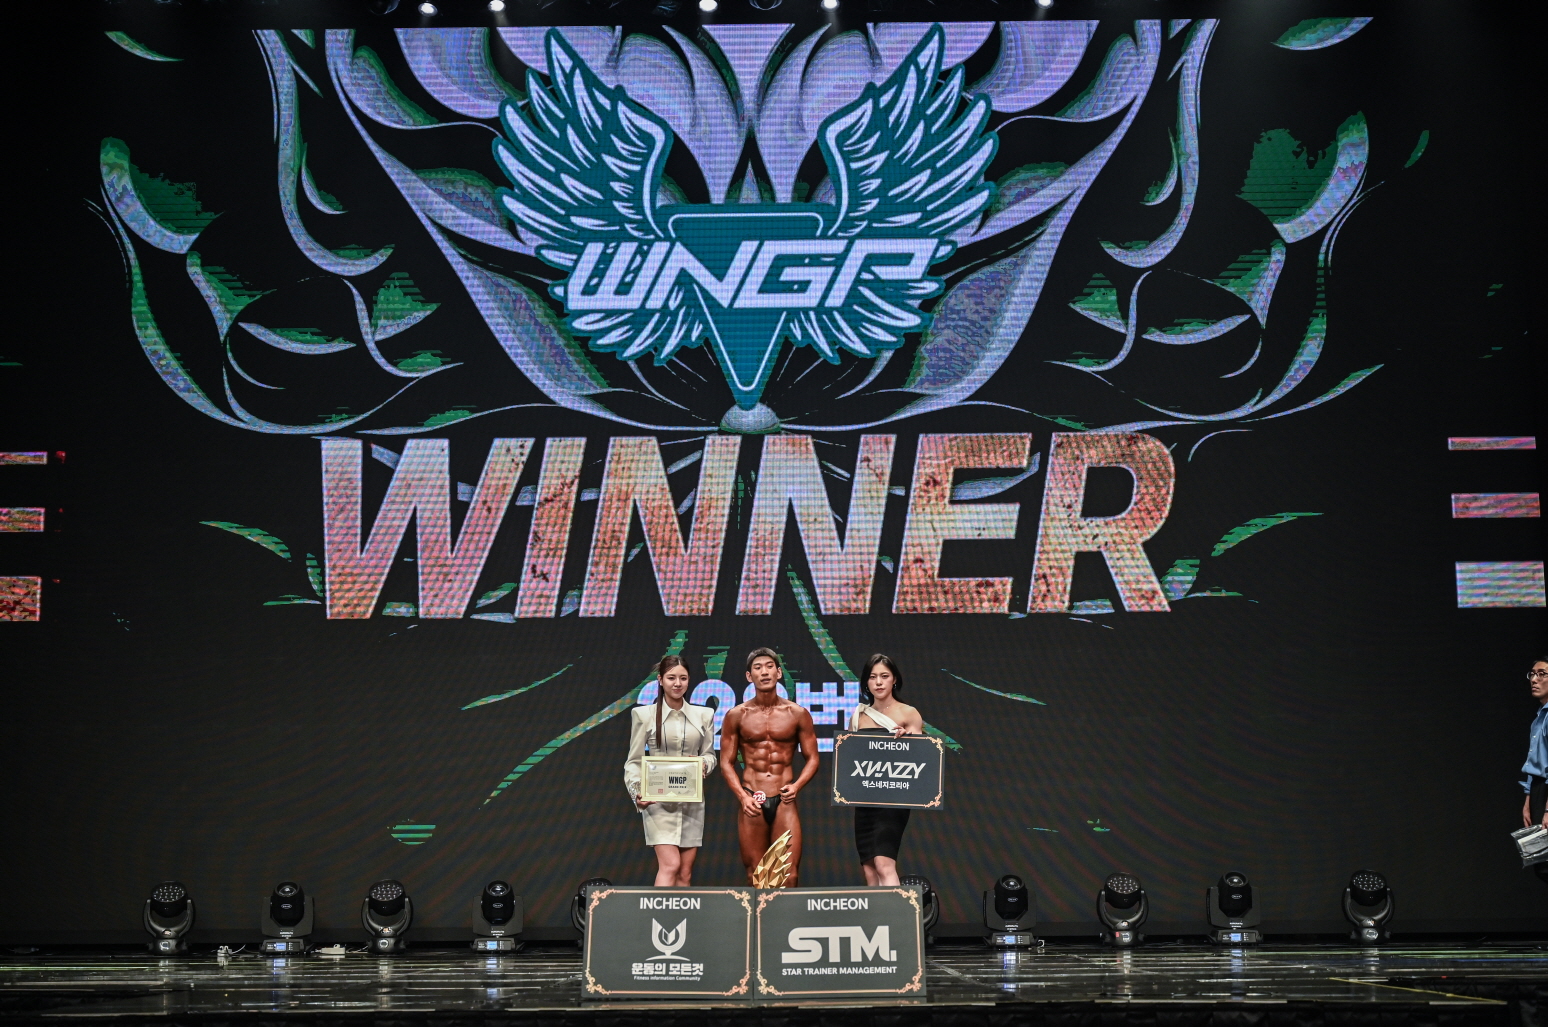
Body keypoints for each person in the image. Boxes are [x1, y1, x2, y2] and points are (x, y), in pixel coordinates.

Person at [719, 648, 819, 886]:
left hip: (784, 799)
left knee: (789, 875)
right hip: (752, 797)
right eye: (758, 668)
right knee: (757, 875)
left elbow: (813, 758)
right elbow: (726, 762)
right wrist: (743, 797)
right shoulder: (736, 715)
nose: (764, 672)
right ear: (749, 676)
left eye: (769, 666)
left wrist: (797, 786)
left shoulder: (797, 713)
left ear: (779, 672)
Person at [624, 656, 717, 886]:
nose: (677, 683)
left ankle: (681, 911)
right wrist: (637, 791)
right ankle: (658, 910)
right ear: (660, 680)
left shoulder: (704, 715)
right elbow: (633, 761)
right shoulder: (643, 715)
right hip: (658, 801)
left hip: (692, 801)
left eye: (683, 678)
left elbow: (710, 755)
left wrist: (703, 764)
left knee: (685, 873)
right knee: (671, 865)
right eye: (671, 678)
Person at [847, 653, 925, 886]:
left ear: (894, 680)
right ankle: (877, 911)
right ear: (866, 682)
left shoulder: (908, 713)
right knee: (870, 870)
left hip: (894, 798)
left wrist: (907, 740)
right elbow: (850, 759)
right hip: (865, 799)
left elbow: (922, 759)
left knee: (883, 863)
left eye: (884, 676)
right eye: (872, 677)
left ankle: (895, 911)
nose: (878, 682)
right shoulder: (858, 716)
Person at [1521, 656, 1548, 883]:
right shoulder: (1539, 718)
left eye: (1542, 674)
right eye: (1532, 674)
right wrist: (1529, 799)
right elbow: (1535, 763)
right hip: (1539, 791)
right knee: (1541, 863)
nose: (1534, 679)